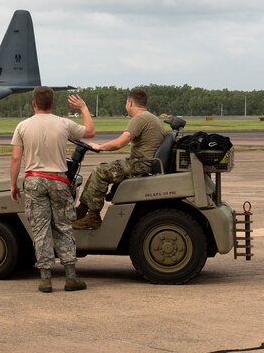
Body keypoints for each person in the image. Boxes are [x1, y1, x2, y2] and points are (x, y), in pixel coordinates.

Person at [10, 87, 95, 293]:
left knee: (41, 229)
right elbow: (90, 132)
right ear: (52, 104)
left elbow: (15, 158)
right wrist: (83, 108)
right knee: (63, 227)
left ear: (34, 104)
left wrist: (13, 184)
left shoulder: (23, 126)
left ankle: (45, 279)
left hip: (34, 180)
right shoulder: (63, 123)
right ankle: (71, 277)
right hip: (58, 180)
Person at [74, 87, 166, 230]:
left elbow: (120, 142)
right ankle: (82, 210)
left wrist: (99, 146)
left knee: (100, 171)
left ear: (130, 102)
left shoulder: (140, 118)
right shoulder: (151, 117)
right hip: (145, 162)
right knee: (99, 170)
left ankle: (93, 217)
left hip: (142, 164)